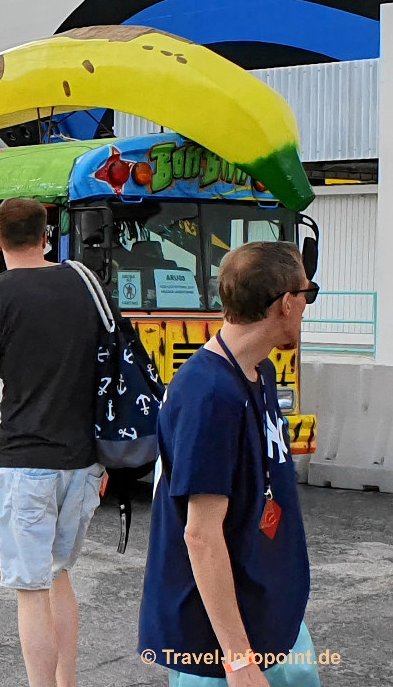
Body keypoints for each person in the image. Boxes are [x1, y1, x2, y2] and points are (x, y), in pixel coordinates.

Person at [0, 197, 103, 687]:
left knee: (31, 588)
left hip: (24, 460)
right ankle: (67, 682)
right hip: (82, 460)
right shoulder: (87, 285)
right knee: (59, 575)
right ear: (46, 234)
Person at [139, 242, 317, 687]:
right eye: (308, 294)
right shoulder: (209, 396)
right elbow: (200, 535)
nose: (306, 307)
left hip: (272, 619)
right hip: (220, 649)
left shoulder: (258, 372)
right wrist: (238, 662)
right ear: (287, 304)